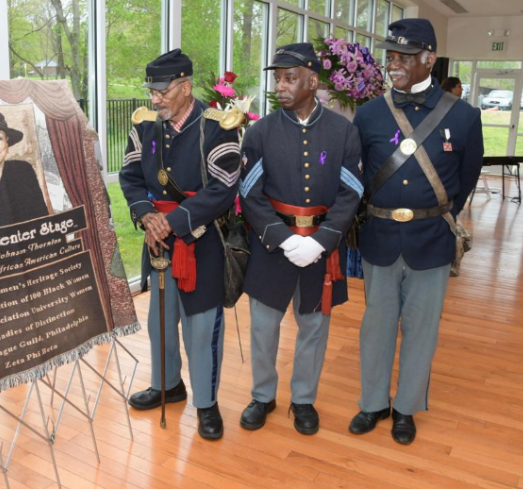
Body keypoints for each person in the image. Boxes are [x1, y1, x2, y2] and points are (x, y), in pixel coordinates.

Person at [349, 19, 483, 444]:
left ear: (429, 58)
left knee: (422, 330)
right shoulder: (368, 114)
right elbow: (357, 174)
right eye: (390, 56)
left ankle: (406, 408)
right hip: (381, 238)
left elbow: (466, 179)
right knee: (377, 327)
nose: (394, 64)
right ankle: (373, 403)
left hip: (431, 240)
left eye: (404, 57)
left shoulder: (463, 117)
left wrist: (432, 215)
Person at [238, 43, 363, 435]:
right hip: (272, 247)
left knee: (313, 327)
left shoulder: (342, 131)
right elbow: (249, 193)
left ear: (313, 80)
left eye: (290, 78)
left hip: (320, 248)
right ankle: (262, 396)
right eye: (277, 78)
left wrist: (322, 240)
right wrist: (281, 237)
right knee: (263, 326)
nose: (281, 86)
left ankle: (304, 399)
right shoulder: (260, 131)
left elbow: (352, 191)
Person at [119, 49, 241, 440]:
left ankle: (206, 403)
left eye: (162, 91)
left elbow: (223, 189)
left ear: (185, 87)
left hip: (200, 243)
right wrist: (145, 214)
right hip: (157, 242)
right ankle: (167, 384)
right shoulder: (144, 125)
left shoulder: (219, 126)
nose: (154, 99)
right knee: (159, 322)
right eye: (151, 91)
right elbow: (131, 176)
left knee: (201, 330)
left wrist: (171, 221)